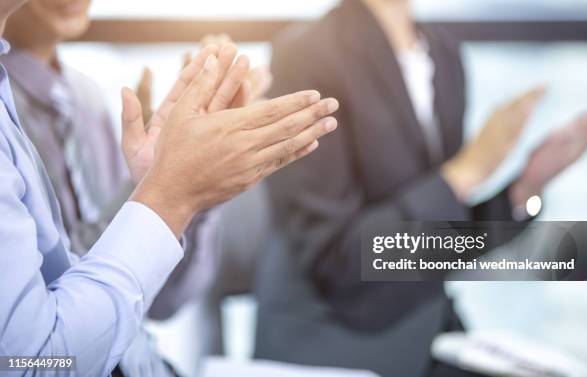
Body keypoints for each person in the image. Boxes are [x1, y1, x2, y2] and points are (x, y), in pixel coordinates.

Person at [257, 0, 587, 376]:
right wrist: (465, 172)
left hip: (429, 327)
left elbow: (434, 243)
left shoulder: (443, 53)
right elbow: (342, 261)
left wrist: (525, 187)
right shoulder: (305, 54)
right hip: (339, 342)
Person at [0, 1, 340, 376]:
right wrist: (167, 191)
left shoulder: (86, 99)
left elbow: (160, 301)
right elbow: (35, 361)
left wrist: (190, 191)